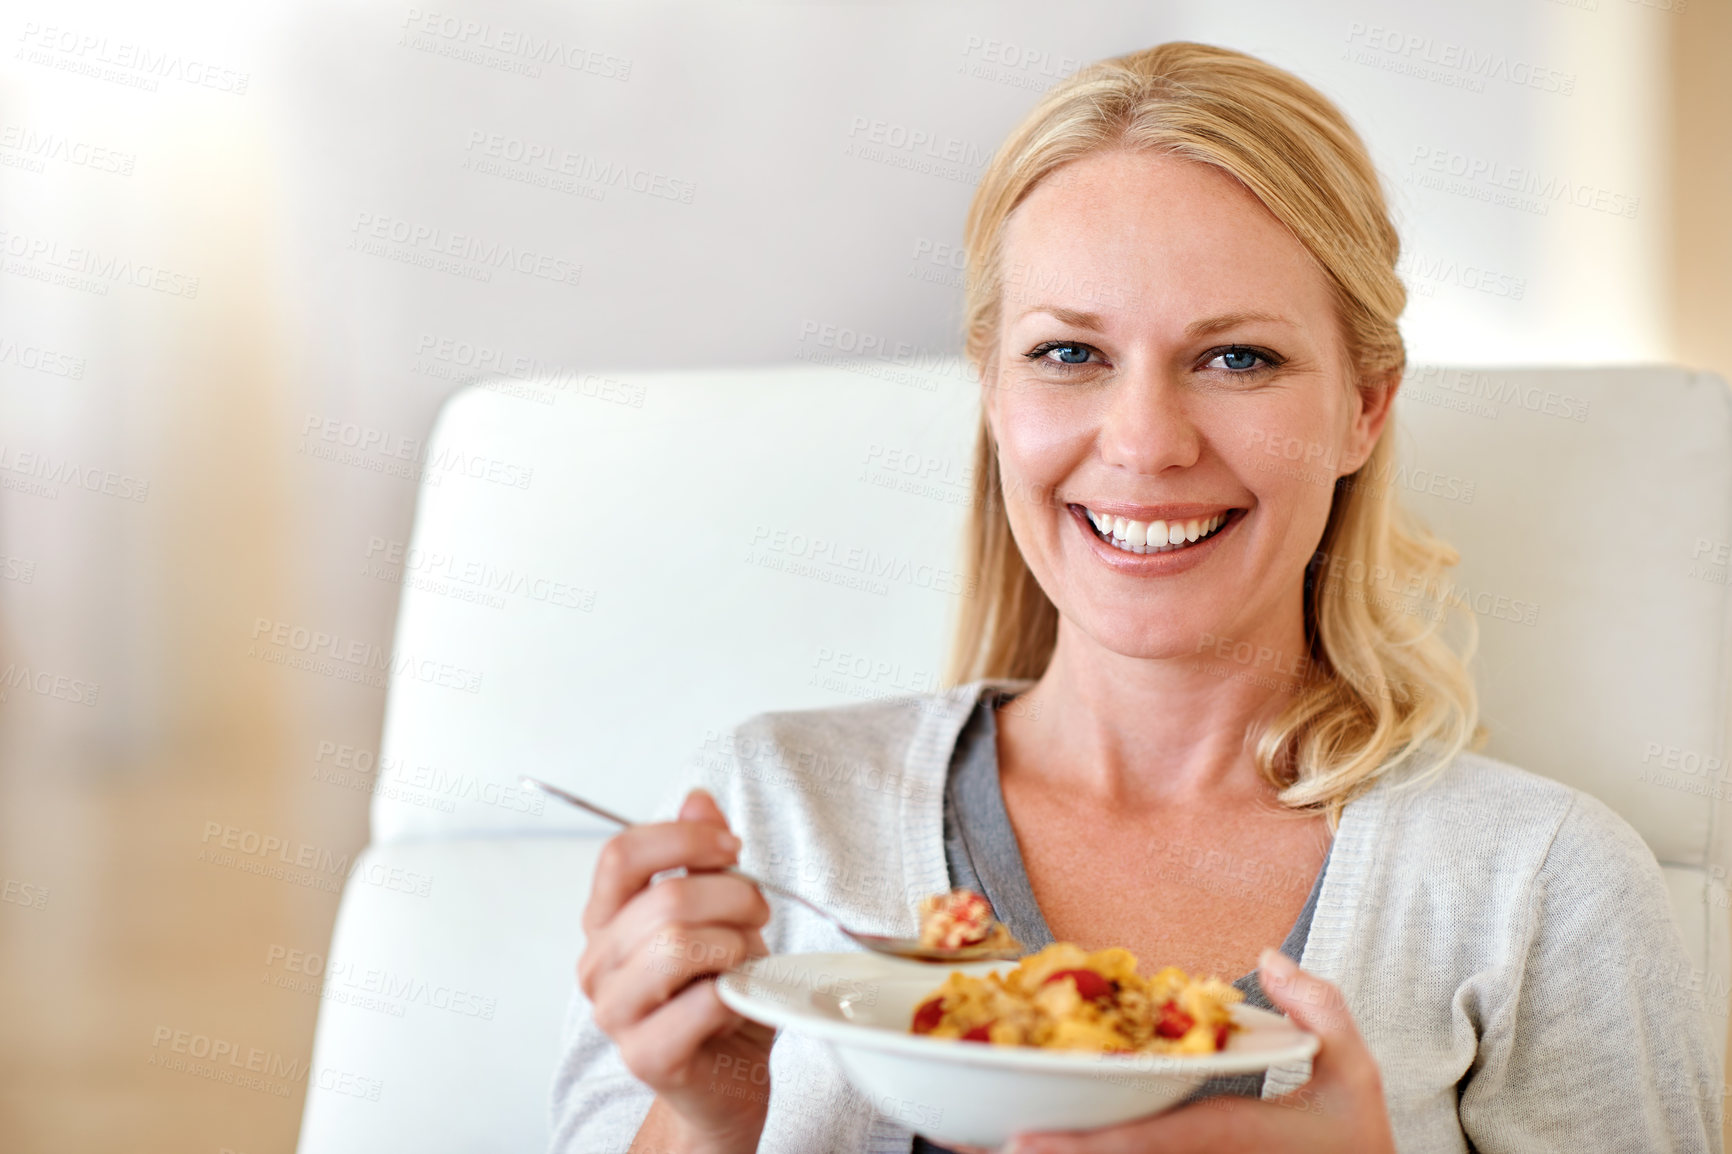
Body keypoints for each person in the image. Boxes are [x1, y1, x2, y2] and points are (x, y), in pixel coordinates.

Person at [550, 41, 1723, 1154]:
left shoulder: (1537, 884)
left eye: (1237, 357)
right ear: (994, 393)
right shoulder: (774, 819)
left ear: (1363, 405)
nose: (1146, 442)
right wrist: (704, 1124)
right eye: (1068, 353)